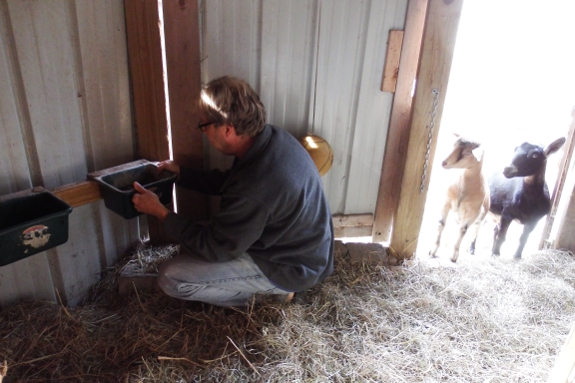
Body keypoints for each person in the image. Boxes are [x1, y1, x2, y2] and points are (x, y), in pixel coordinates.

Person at [132, 75, 334, 307]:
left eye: (204, 125)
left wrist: (161, 213)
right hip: (303, 250)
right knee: (193, 240)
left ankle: (268, 298)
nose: (203, 132)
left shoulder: (257, 184)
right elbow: (233, 183)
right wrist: (183, 174)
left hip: (291, 266)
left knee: (171, 277)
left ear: (227, 130)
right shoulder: (272, 139)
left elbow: (216, 248)